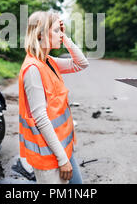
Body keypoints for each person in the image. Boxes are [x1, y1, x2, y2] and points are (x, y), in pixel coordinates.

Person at [18, 11, 88, 184]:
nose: (61, 34)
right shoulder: (33, 68)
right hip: (50, 157)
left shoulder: (47, 61)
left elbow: (81, 64)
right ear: (40, 34)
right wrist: (62, 160)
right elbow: (41, 118)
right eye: (57, 30)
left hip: (63, 149)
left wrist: (65, 38)